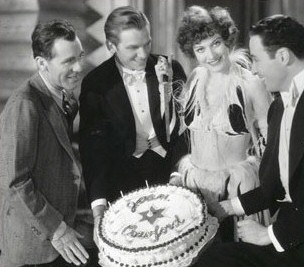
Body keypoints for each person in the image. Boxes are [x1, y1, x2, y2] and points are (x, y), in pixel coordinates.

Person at [194, 14, 304, 267]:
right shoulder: (280, 107)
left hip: (292, 239)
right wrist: (226, 208)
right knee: (207, 258)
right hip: (290, 235)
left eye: (256, 59)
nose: (253, 68)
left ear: (284, 57)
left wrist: (270, 234)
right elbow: (275, 186)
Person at [78, 6, 187, 244]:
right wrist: (99, 208)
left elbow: (185, 131)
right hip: (123, 186)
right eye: (132, 48)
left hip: (172, 178)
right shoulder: (96, 84)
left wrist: (179, 175)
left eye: (147, 44)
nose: (143, 54)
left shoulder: (171, 68)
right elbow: (92, 150)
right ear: (111, 46)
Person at [171, 5, 272, 241]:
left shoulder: (251, 84)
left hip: (236, 191)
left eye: (216, 43)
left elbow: (272, 146)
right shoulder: (195, 79)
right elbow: (188, 136)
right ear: (192, 52)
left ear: (227, 39)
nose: (211, 55)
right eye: (200, 48)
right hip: (194, 188)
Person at [0, 20, 90, 267]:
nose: (79, 66)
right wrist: (58, 230)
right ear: (41, 63)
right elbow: (15, 182)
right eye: (68, 61)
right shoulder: (24, 104)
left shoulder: (61, 93)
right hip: (34, 251)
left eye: (79, 57)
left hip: (56, 245)